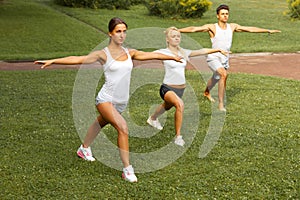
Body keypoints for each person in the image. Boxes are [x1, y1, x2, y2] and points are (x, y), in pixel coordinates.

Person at [35, 17, 183, 183]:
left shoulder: (130, 53)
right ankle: (127, 170)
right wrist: (53, 61)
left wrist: (172, 57)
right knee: (123, 128)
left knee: (100, 123)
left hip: (121, 103)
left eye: (124, 31)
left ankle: (84, 149)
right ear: (110, 34)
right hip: (105, 100)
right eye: (118, 31)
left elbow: (152, 55)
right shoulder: (103, 54)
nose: (122, 35)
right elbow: (78, 58)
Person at [179, 4, 281, 111]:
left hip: (225, 58)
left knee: (216, 78)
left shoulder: (232, 27)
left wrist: (267, 30)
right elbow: (194, 29)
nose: (225, 16)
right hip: (213, 57)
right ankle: (221, 104)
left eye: (227, 14)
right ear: (217, 16)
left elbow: (249, 29)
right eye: (222, 14)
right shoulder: (212, 27)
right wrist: (178, 30)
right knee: (223, 74)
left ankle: (206, 92)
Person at [147, 27, 228, 146]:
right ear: (167, 39)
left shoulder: (183, 52)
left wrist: (217, 50)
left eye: (178, 36)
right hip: (167, 88)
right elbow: (143, 55)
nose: (176, 38)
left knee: (166, 106)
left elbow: (202, 51)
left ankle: (152, 119)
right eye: (173, 36)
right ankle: (178, 137)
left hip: (180, 89)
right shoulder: (162, 52)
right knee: (180, 105)